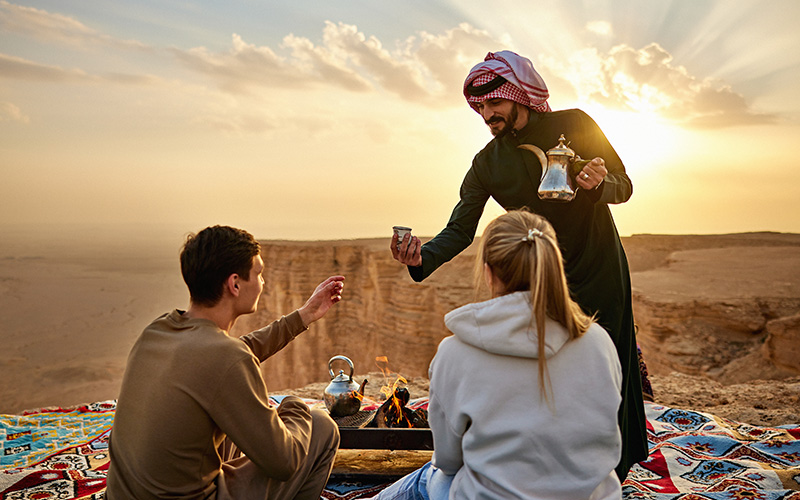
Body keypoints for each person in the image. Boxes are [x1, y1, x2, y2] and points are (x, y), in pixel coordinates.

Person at [391, 49, 647, 479]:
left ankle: (613, 470)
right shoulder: (487, 163)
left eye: (495, 103)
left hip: (597, 261)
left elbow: (624, 186)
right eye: (481, 106)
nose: (487, 113)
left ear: (519, 96)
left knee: (607, 360)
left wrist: (600, 183)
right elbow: (459, 229)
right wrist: (423, 256)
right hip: (539, 270)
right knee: (546, 366)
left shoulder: (577, 124)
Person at [376, 210, 623, 499]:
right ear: (554, 266)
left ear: (488, 272)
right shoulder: (598, 341)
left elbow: (447, 460)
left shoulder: (455, 353)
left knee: (428, 478)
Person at [106, 225, 345, 500]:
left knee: (234, 425)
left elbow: (228, 355)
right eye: (259, 274)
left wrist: (303, 316)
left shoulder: (157, 331)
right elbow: (285, 463)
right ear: (234, 284)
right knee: (322, 427)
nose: (263, 282)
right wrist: (296, 406)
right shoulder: (225, 358)